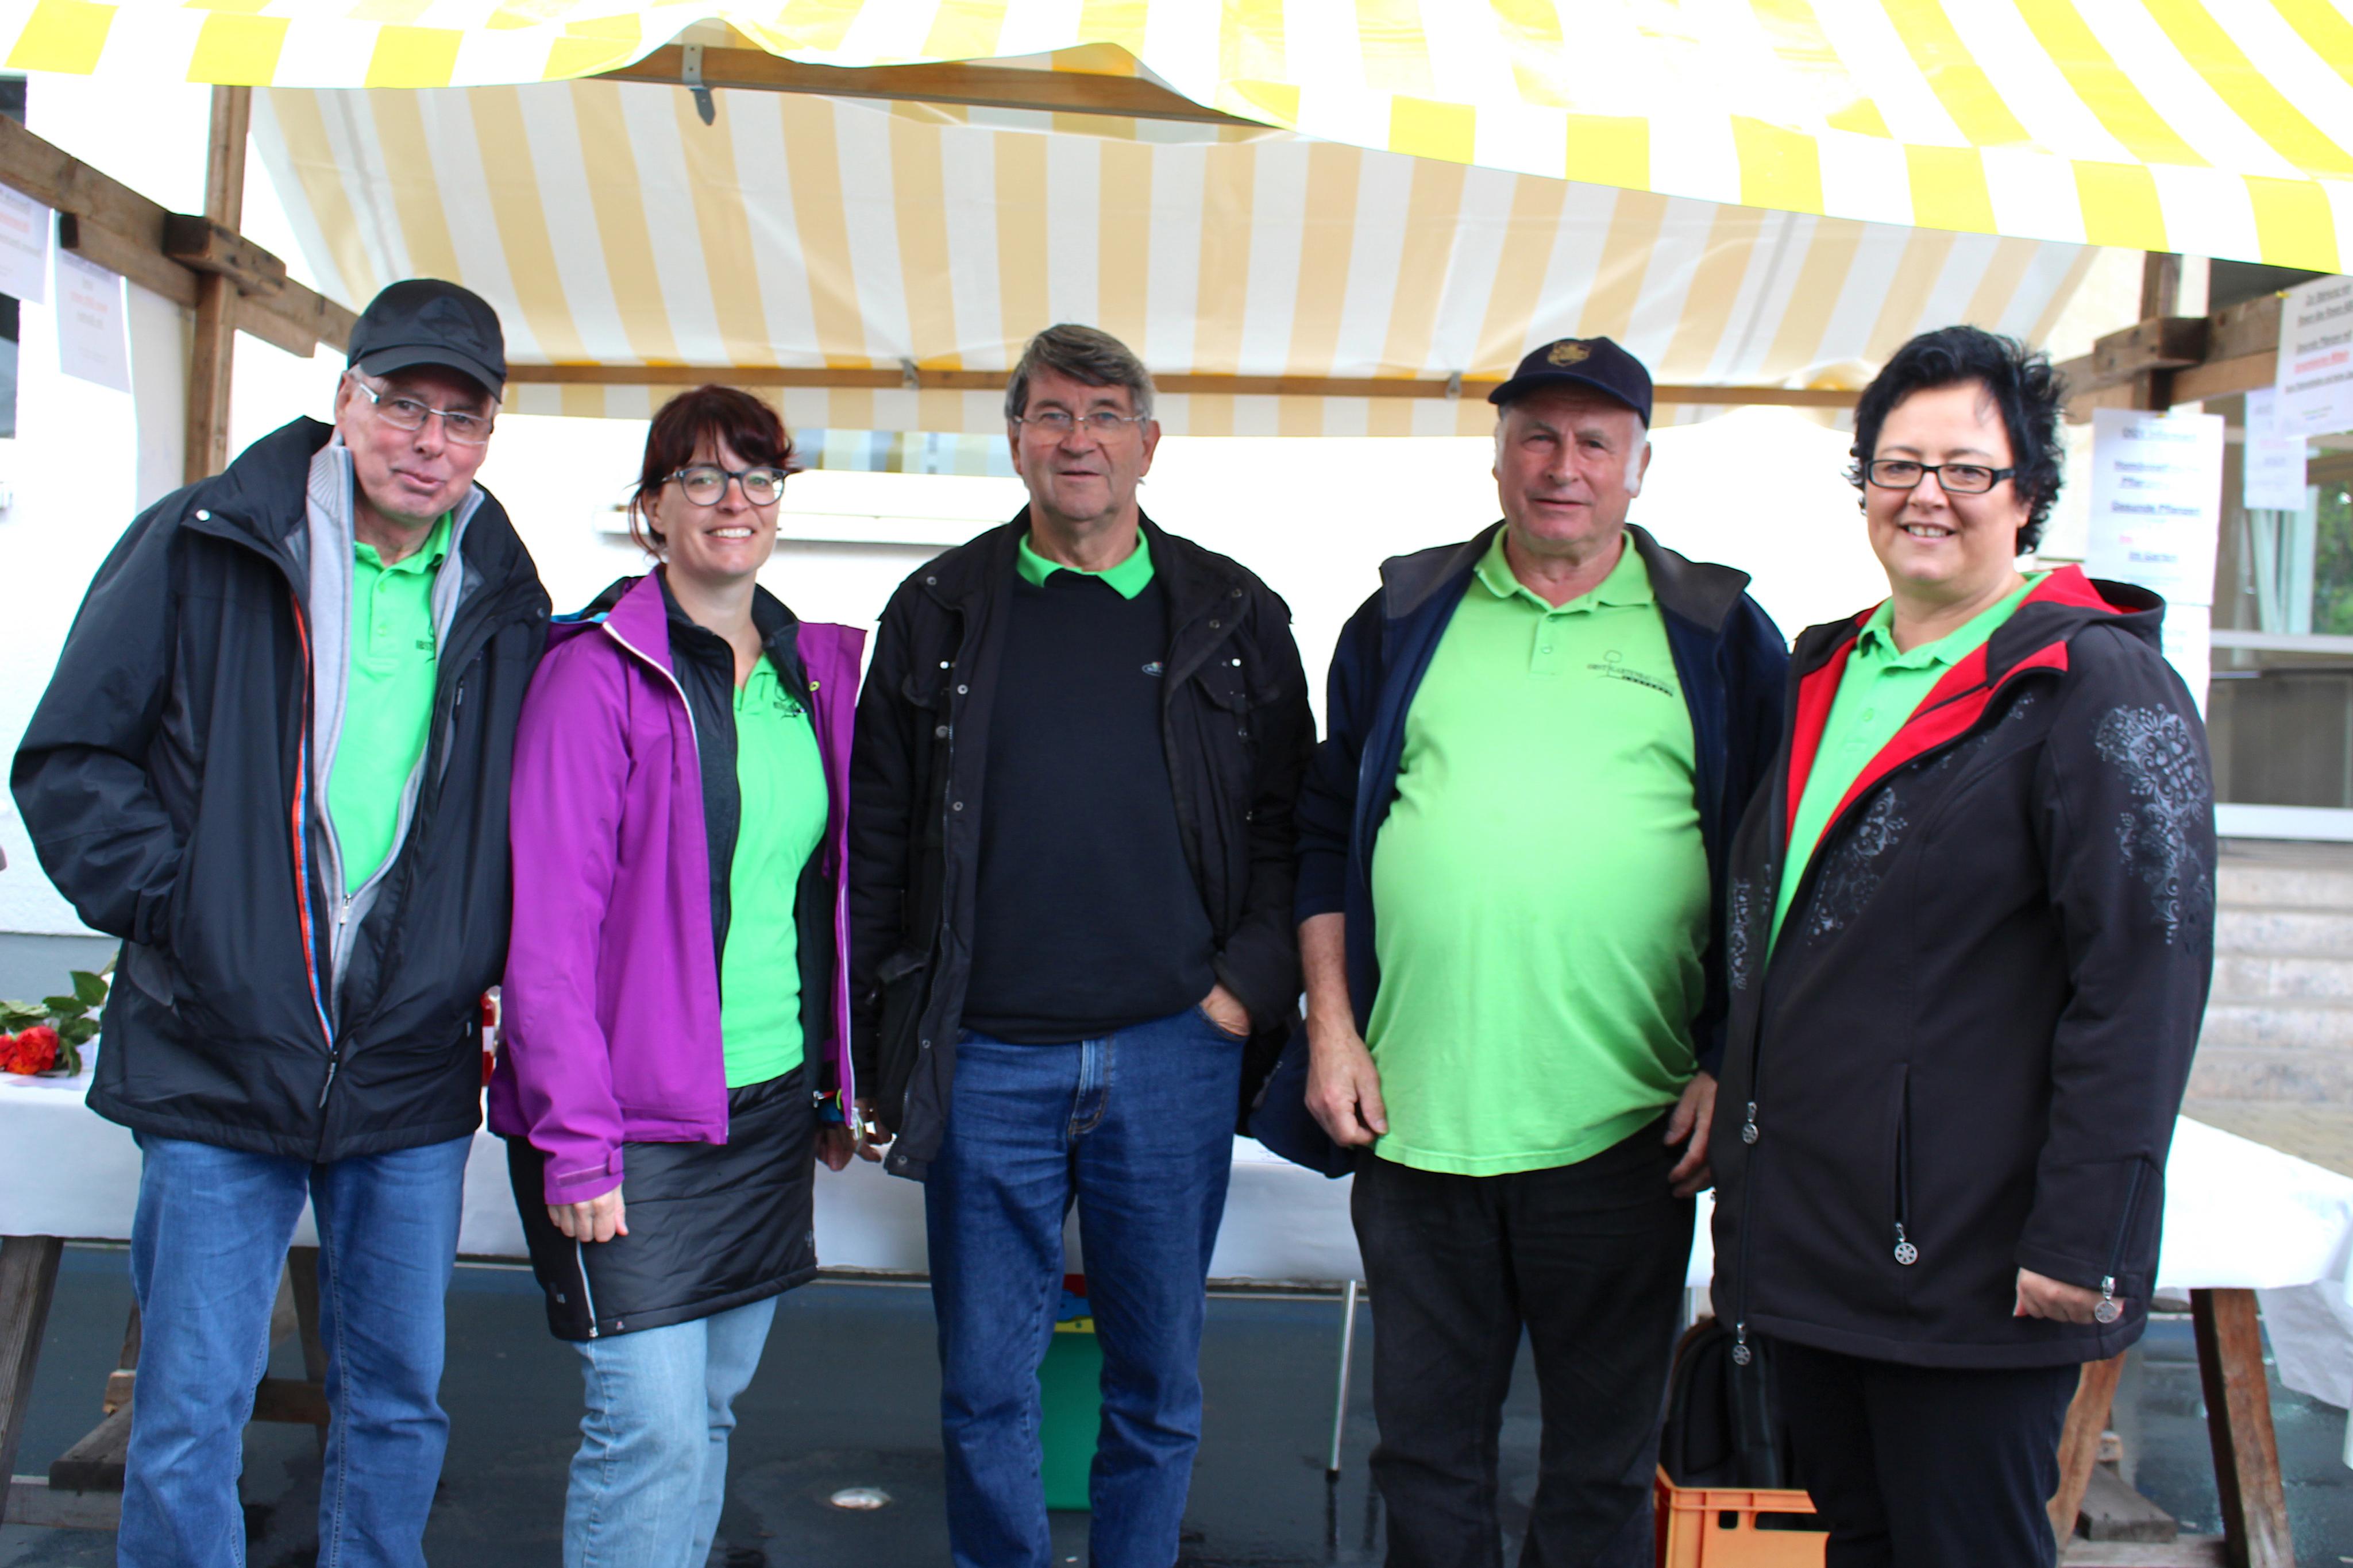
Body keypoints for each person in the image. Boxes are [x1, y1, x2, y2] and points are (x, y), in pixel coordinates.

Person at [11, 279, 547, 1566]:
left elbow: (525, 815)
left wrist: (468, 955)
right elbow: (72, 758)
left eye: (461, 419)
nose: (428, 442)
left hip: (405, 1062)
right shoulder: (202, 542)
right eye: (402, 405)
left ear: (488, 437)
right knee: (190, 1406)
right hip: (218, 1041)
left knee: (398, 1401)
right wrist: (191, 911)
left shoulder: (508, 596)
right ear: (345, 400)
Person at [1707, 326, 2215, 1568]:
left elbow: (2144, 977)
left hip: (1974, 1259)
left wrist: (2084, 1239)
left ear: (2027, 492)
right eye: (1897, 465)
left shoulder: (2092, 684)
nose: (1925, 495)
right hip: (1812, 1244)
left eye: (1966, 469)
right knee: (1855, 1542)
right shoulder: (1824, 668)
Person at [1291, 337, 1788, 1566]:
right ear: (1500, 454)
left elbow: (1776, 867)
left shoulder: (1720, 634)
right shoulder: (1401, 617)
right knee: (1424, 1461)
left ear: (1639, 466)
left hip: (1626, 1125)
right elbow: (1322, 835)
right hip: (1415, 1115)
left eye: (1593, 442)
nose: (1563, 466)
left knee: (1599, 1470)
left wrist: (1728, 1059)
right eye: (1538, 436)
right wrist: (1331, 1027)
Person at [847, 323, 1314, 1568]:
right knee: (983, 1387)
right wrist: (876, 1046)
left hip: (1173, 1051)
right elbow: (877, 839)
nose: (1078, 439)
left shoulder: (1232, 611)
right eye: (1052, 414)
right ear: (1014, 441)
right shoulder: (937, 609)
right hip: (984, 1056)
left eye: (1105, 416)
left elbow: (1292, 821)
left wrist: (1242, 993)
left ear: (1148, 444)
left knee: (1155, 1383)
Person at [487, 385, 862, 1567]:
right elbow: (546, 941)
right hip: (627, 1124)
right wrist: (575, 1144)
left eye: (757, 477)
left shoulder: (810, 675)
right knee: (646, 1428)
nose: (732, 500)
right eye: (700, 477)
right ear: (651, 507)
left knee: (707, 1410)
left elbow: (820, 899)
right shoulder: (594, 676)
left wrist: (834, 1085)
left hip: (765, 1107)